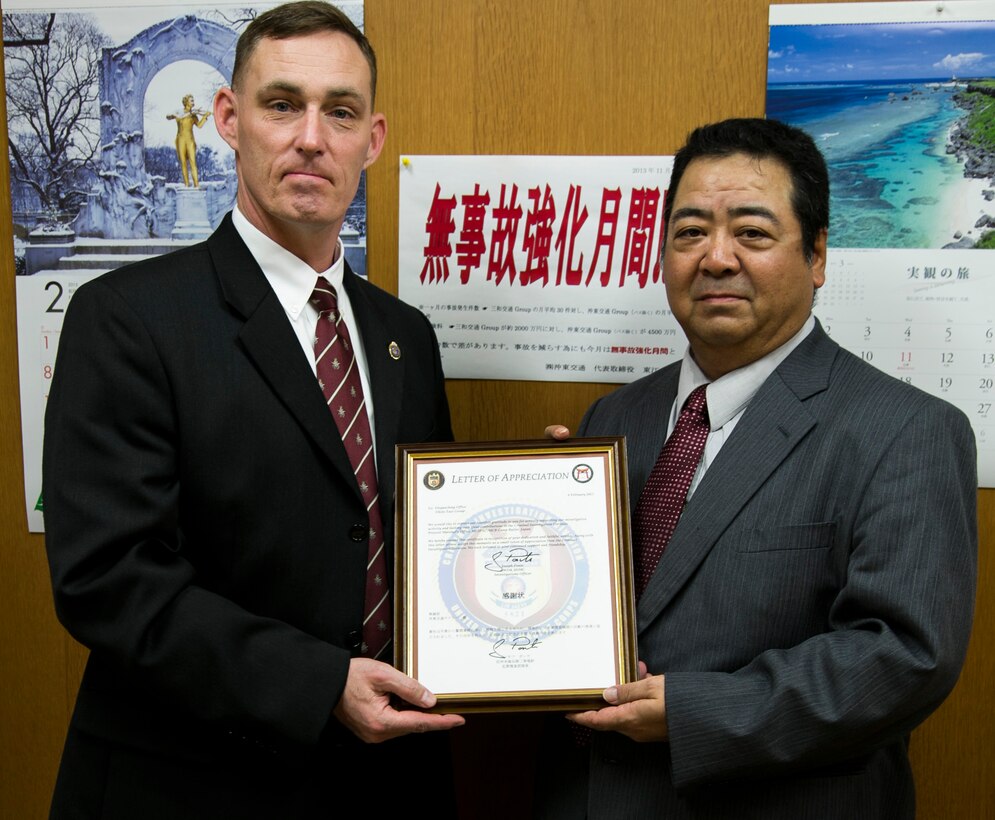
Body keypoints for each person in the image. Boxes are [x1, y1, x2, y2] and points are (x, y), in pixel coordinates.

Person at [43, 3, 462, 818]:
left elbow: (422, 535)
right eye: (281, 105)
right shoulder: (128, 319)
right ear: (229, 120)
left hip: (387, 783)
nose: (311, 138)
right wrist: (318, 684)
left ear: (372, 140)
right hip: (196, 781)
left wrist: (537, 510)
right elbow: (107, 578)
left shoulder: (403, 335)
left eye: (340, 112)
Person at [538, 118, 977, 819]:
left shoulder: (907, 430)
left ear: (817, 255)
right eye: (689, 232)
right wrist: (535, 524)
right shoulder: (612, 418)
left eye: (752, 232)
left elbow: (904, 658)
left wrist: (694, 713)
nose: (715, 258)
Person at [166, 94, 211, 187]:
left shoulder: (193, 115)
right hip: (180, 140)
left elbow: (199, 125)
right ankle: (186, 184)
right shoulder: (179, 112)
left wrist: (205, 117)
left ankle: (196, 184)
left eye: (193, 101)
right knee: (183, 162)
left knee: (193, 162)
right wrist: (174, 115)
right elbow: (168, 116)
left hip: (190, 140)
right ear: (186, 102)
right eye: (191, 100)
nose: (193, 102)